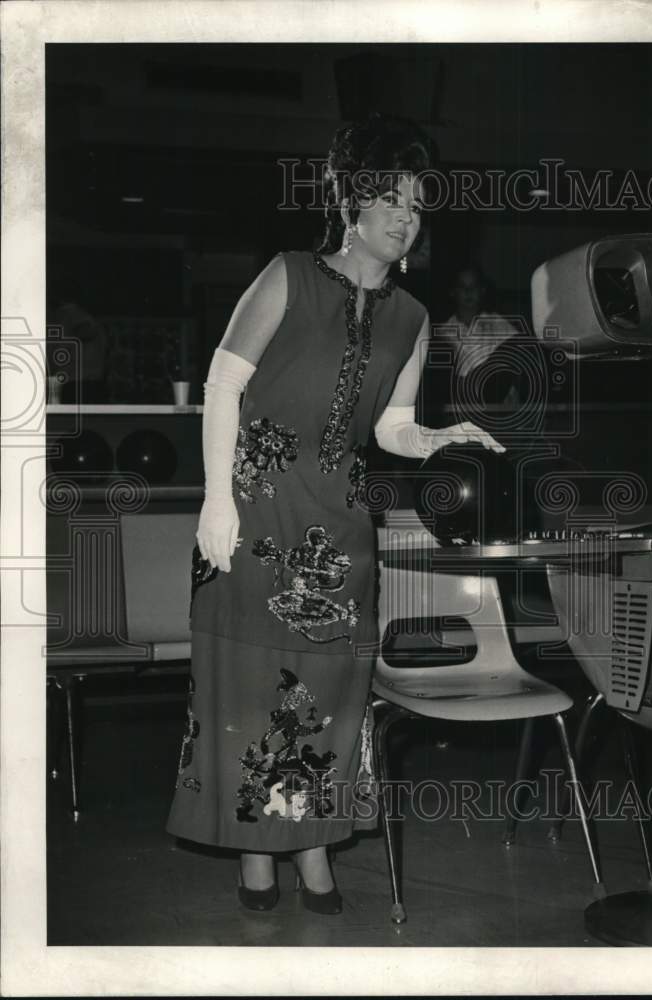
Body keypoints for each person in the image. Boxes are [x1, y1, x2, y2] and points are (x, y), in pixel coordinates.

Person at [166, 114, 503, 916]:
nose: (404, 217)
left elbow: (388, 426)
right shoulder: (285, 274)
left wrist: (439, 436)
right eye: (389, 199)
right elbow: (222, 386)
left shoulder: (413, 318)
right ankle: (255, 855)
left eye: (417, 207)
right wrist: (217, 500)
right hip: (254, 508)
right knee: (249, 687)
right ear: (352, 203)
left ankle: (315, 848)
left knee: (328, 692)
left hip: (342, 524)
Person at [438, 263, 521, 381]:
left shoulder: (497, 323)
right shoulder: (444, 332)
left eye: (474, 286)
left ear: (482, 290)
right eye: (462, 286)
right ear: (453, 292)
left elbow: (518, 351)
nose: (468, 291)